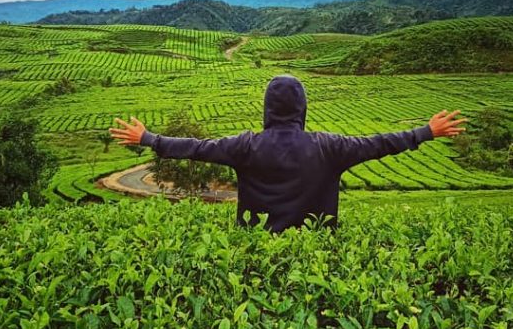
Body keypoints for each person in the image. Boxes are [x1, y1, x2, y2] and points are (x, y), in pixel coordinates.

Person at [110, 75, 466, 232]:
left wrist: (149, 138)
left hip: (257, 248)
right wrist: (426, 132)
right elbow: (378, 144)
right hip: (315, 250)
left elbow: (197, 149)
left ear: (267, 108)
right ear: (302, 108)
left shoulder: (246, 144)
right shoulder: (330, 146)